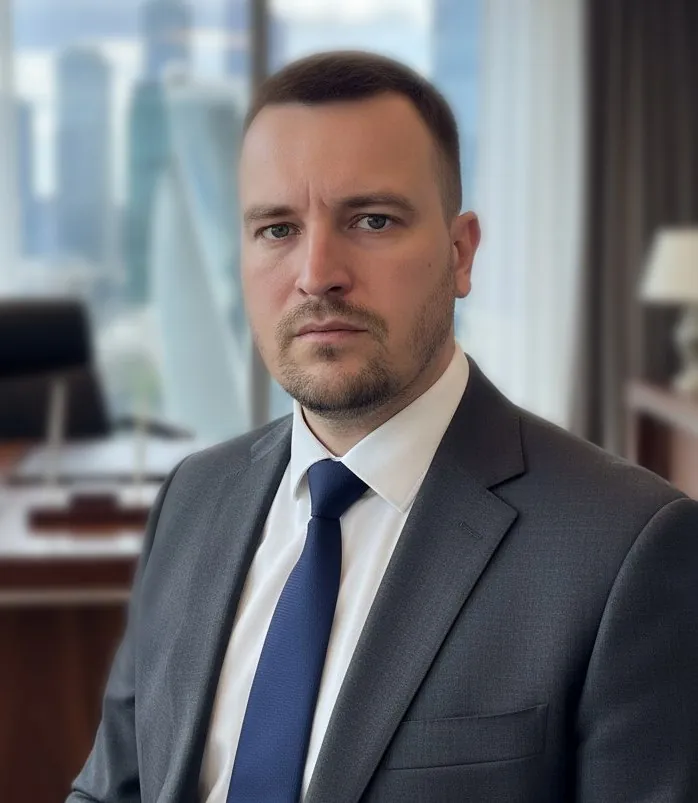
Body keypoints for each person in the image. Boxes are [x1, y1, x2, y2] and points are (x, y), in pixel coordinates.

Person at [67, 51, 698, 803]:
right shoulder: (193, 498)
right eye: (277, 228)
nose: (317, 273)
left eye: (372, 220)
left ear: (460, 254)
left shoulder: (626, 549)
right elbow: (111, 788)